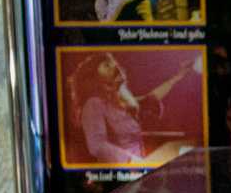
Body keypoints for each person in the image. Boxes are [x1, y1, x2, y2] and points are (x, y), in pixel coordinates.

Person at [68, 52, 198, 165]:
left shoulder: (118, 102)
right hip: (121, 173)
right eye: (107, 65)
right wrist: (133, 162)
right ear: (93, 77)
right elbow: (97, 145)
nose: (115, 67)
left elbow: (151, 98)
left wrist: (178, 77)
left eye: (113, 63)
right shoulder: (93, 104)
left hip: (138, 166)